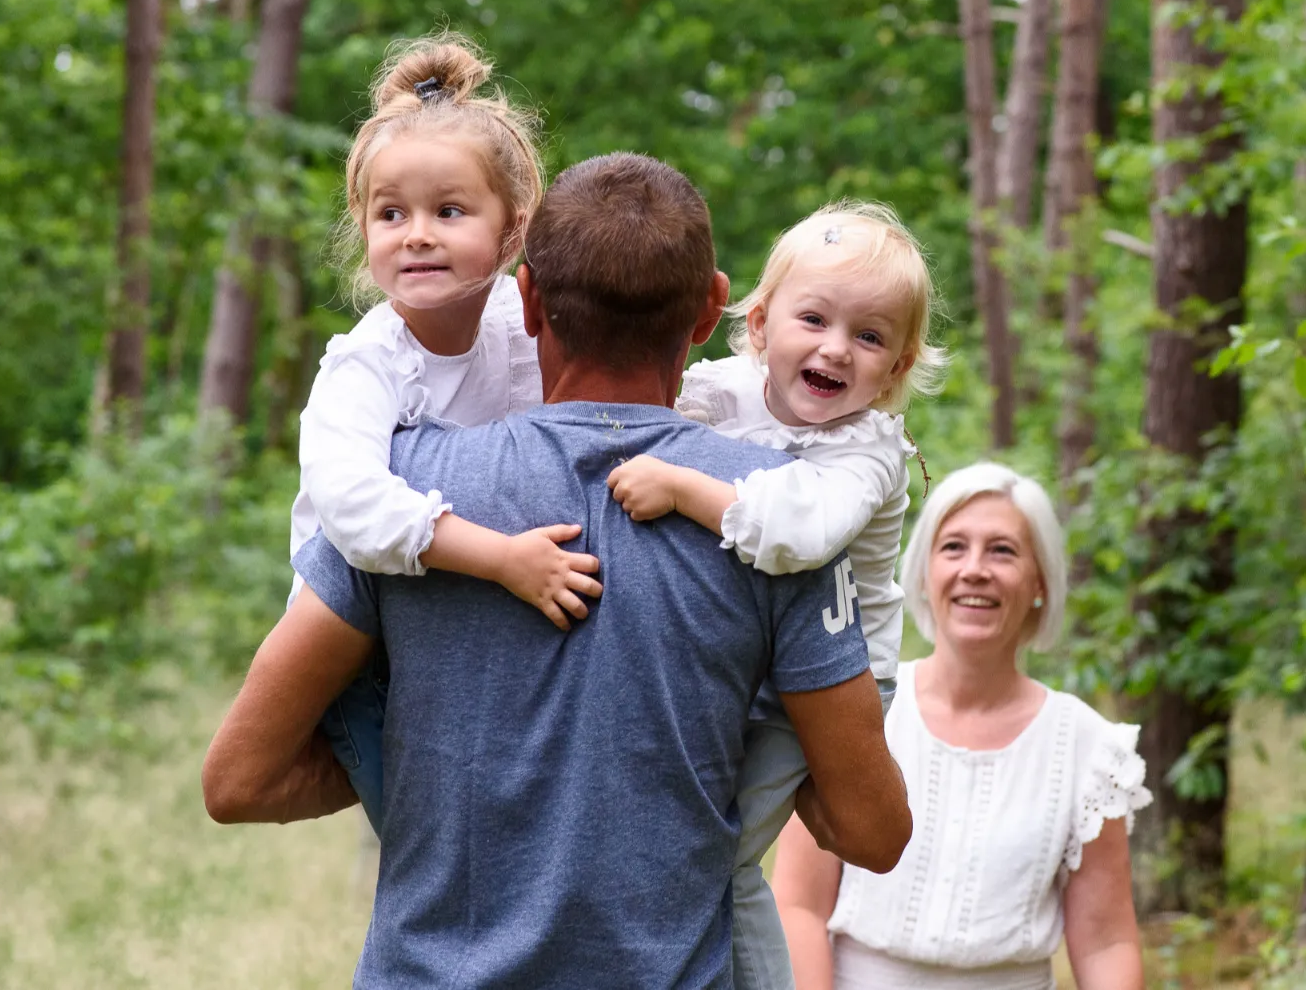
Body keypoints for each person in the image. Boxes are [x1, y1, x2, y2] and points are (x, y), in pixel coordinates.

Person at [201, 152, 913, 989]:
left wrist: (443, 794)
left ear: (528, 299)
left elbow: (240, 781)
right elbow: (872, 832)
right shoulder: (778, 514)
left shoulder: (408, 493)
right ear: (714, 309)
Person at [606, 201, 945, 990]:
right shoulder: (727, 391)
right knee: (683, 836)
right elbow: (656, 413)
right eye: (814, 319)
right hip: (743, 663)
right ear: (758, 324)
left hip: (828, 685)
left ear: (896, 369)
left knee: (720, 858)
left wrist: (681, 486)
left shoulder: (869, 453)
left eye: (869, 337)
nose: (835, 349)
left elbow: (800, 535)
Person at [287, 34, 601, 833]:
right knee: (445, 847)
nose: (417, 234)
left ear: (511, 229)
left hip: (469, 630)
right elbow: (353, 508)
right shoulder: (365, 367)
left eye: (449, 211)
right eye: (391, 214)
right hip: (365, 650)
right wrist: (502, 558)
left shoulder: (517, 328)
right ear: (363, 230)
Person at [772, 463, 1151, 990]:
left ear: (1040, 582)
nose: (975, 569)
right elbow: (798, 908)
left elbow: (1108, 943)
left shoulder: (1090, 750)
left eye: (1003, 551)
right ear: (924, 574)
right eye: (953, 547)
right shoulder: (853, 712)